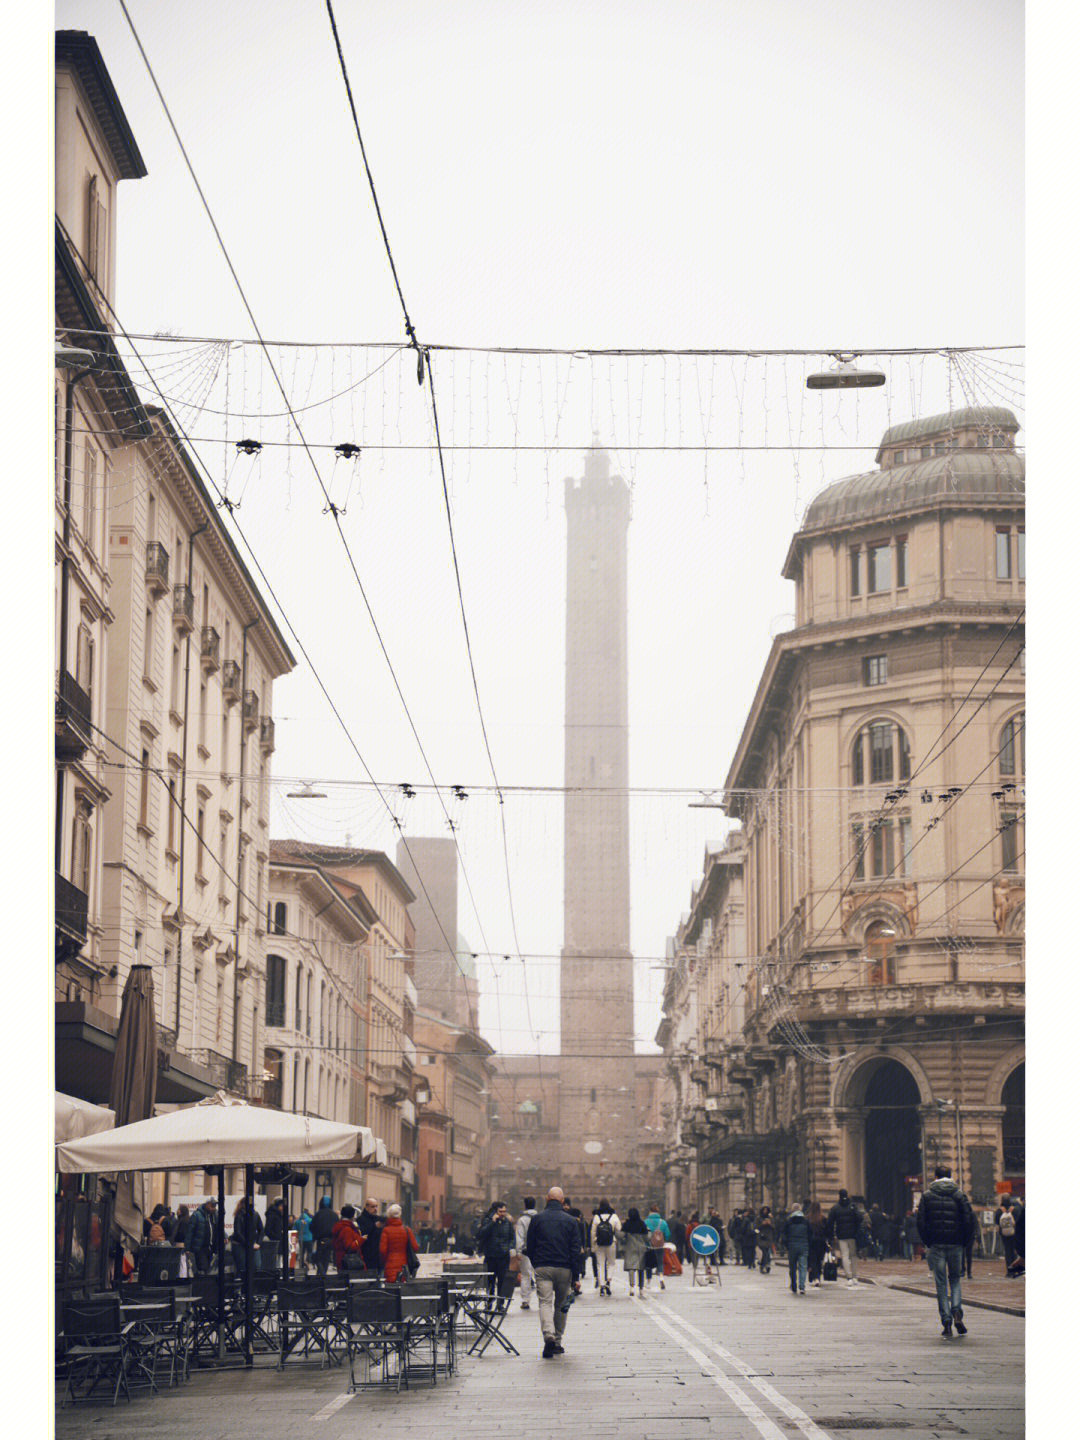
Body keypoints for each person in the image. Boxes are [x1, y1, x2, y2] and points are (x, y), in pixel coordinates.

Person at [916, 1165, 976, 1338]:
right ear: (950, 1176)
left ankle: (947, 1321)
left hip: (936, 1244)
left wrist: (928, 1241)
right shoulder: (959, 1194)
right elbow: (968, 1220)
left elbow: (921, 1221)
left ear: (935, 1177)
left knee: (941, 1283)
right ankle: (957, 1311)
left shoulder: (927, 1196)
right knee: (955, 1279)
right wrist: (965, 1241)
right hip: (956, 1244)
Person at [524, 1185, 583, 1357]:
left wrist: (536, 1264)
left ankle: (548, 1335)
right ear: (563, 1201)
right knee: (562, 1305)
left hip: (543, 1267)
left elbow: (530, 1246)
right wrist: (576, 1276)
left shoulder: (537, 1220)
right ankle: (557, 1341)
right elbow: (575, 1250)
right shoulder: (571, 1221)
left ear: (547, 1198)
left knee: (545, 1303)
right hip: (564, 1268)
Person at [826, 1189, 865, 1289]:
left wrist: (830, 1236)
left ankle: (849, 1277)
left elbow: (830, 1222)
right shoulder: (853, 1206)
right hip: (852, 1235)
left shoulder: (835, 1208)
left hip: (841, 1235)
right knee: (853, 1256)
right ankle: (855, 1276)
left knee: (845, 1256)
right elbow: (860, 1218)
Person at [476, 1200, 516, 1295]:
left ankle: (500, 1304)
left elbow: (512, 1238)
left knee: (502, 1281)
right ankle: (490, 1302)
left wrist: (509, 1248)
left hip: (503, 1256)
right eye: (500, 1212)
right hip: (491, 1256)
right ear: (495, 1212)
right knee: (490, 1282)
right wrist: (492, 1223)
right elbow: (481, 1234)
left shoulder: (507, 1222)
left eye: (504, 1211)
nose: (503, 1214)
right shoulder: (487, 1221)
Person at [379, 1204, 419, 1283]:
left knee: (391, 1290)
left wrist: (384, 1261)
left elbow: (382, 1250)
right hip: (404, 1266)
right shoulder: (407, 1229)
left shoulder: (386, 1230)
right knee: (403, 1289)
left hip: (390, 1265)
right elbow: (415, 1247)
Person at [781, 1200, 811, 1295]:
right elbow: (810, 1234)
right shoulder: (806, 1221)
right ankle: (802, 1287)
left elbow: (784, 1235)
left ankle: (793, 1285)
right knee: (803, 1267)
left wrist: (787, 1246)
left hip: (792, 1246)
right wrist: (808, 1243)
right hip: (803, 1245)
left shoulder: (789, 1221)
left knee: (792, 1267)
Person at [591, 1199, 621, 1295]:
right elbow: (619, 1229)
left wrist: (592, 1246)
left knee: (600, 1265)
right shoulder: (614, 1216)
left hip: (599, 1243)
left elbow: (593, 1232)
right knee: (611, 1263)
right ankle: (608, 1281)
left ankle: (601, 1286)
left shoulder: (596, 1217)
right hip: (611, 1242)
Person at [230, 1196, 263, 1275]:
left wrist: (258, 1243)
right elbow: (238, 1233)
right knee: (243, 1268)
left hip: (252, 1244)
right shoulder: (239, 1215)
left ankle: (252, 1285)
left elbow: (261, 1230)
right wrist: (250, 1244)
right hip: (240, 1244)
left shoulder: (255, 1214)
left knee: (256, 1266)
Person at [622, 1208, 650, 1295]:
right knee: (641, 1268)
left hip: (630, 1247)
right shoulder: (642, 1224)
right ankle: (641, 1288)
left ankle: (632, 1287)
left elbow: (621, 1236)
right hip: (641, 1248)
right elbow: (647, 1238)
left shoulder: (626, 1224)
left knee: (631, 1268)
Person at [516, 1196, 538, 1308]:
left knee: (525, 1275)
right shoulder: (540, 1217)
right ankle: (542, 1298)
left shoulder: (522, 1220)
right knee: (539, 1275)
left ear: (525, 1205)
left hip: (526, 1250)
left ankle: (525, 1300)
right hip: (539, 1250)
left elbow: (520, 1236)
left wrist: (518, 1251)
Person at [185, 1197, 217, 1274]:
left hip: (210, 1248)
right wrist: (187, 1248)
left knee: (208, 1269)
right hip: (200, 1248)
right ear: (207, 1204)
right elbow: (190, 1232)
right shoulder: (196, 1215)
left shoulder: (213, 1216)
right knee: (203, 1269)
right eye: (212, 1205)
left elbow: (218, 1228)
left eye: (215, 1206)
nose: (214, 1208)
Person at [332, 1204, 367, 1273]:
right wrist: (361, 1239)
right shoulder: (347, 1229)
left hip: (342, 1261)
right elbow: (350, 1247)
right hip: (349, 1264)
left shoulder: (340, 1226)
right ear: (352, 1216)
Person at [311, 1195, 338, 1276]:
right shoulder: (334, 1215)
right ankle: (323, 1273)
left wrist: (316, 1235)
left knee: (318, 1258)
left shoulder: (318, 1214)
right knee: (326, 1258)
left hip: (321, 1239)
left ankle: (321, 1273)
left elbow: (312, 1226)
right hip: (330, 1240)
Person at [644, 1205, 670, 1290]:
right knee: (660, 1263)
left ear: (650, 1212)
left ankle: (648, 1283)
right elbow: (668, 1234)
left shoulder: (646, 1222)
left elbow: (643, 1234)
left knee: (649, 1265)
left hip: (649, 1246)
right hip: (659, 1246)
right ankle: (661, 1279)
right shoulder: (663, 1222)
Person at [358, 1197, 383, 1275]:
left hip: (378, 1255)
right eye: (373, 1207)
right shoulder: (361, 1219)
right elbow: (364, 1234)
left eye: (376, 1206)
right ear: (367, 1207)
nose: (375, 1209)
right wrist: (375, 1227)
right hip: (367, 1255)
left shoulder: (378, 1219)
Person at [806, 1201, 828, 1287]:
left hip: (811, 1242)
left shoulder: (808, 1219)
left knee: (813, 1260)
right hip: (821, 1242)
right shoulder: (823, 1219)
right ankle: (817, 1276)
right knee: (819, 1260)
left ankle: (815, 1277)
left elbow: (806, 1231)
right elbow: (827, 1231)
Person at [996, 1197, 1019, 1275]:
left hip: (1004, 1234)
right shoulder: (1015, 1210)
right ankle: (1015, 1270)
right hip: (1014, 1233)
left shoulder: (999, 1210)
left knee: (1007, 1251)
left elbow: (996, 1221)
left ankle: (1009, 1271)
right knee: (1014, 1251)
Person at [757, 1206, 775, 1274]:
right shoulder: (759, 1218)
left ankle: (765, 1265)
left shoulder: (770, 1218)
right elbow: (756, 1228)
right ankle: (764, 1265)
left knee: (767, 1252)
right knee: (765, 1252)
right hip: (761, 1237)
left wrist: (770, 1224)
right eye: (764, 1210)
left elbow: (774, 1227)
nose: (765, 1211)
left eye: (766, 1210)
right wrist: (762, 1224)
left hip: (769, 1237)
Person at [298, 1206, 314, 1273]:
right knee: (309, 1251)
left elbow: (294, 1229)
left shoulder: (298, 1221)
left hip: (301, 1239)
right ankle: (308, 1261)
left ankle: (301, 1264)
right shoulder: (310, 1220)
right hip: (309, 1238)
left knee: (302, 1252)